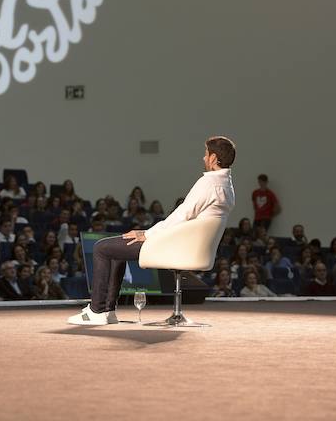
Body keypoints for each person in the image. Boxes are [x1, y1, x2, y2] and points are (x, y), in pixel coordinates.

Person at [67, 136, 236, 326]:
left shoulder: (209, 184)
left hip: (176, 245)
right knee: (116, 251)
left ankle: (97, 310)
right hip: (189, 245)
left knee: (101, 248)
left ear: (213, 158)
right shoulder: (227, 187)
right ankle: (108, 311)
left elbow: (181, 215)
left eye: (206, 154)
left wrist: (147, 234)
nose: (203, 158)